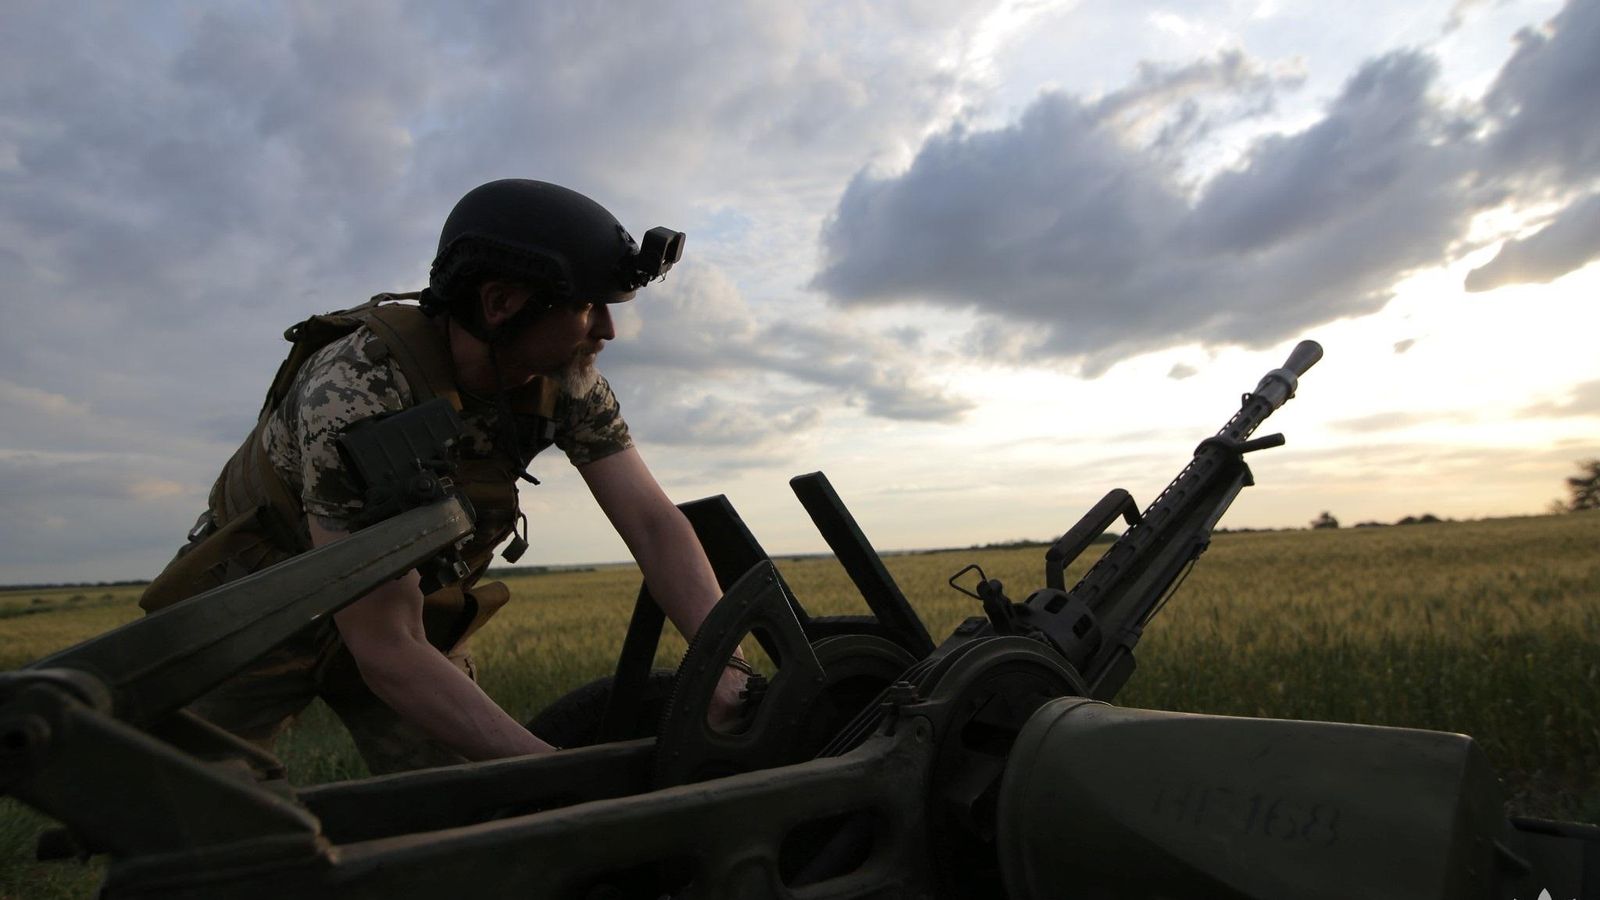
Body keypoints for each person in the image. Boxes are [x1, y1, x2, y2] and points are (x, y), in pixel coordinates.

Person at [140, 179, 744, 774]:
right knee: (196, 816)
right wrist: (561, 777)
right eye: (587, 306)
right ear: (500, 303)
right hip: (254, 613)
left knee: (475, 812)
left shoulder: (567, 379)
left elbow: (652, 524)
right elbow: (386, 647)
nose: (606, 331)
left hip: (406, 609)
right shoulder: (358, 394)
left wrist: (728, 669)